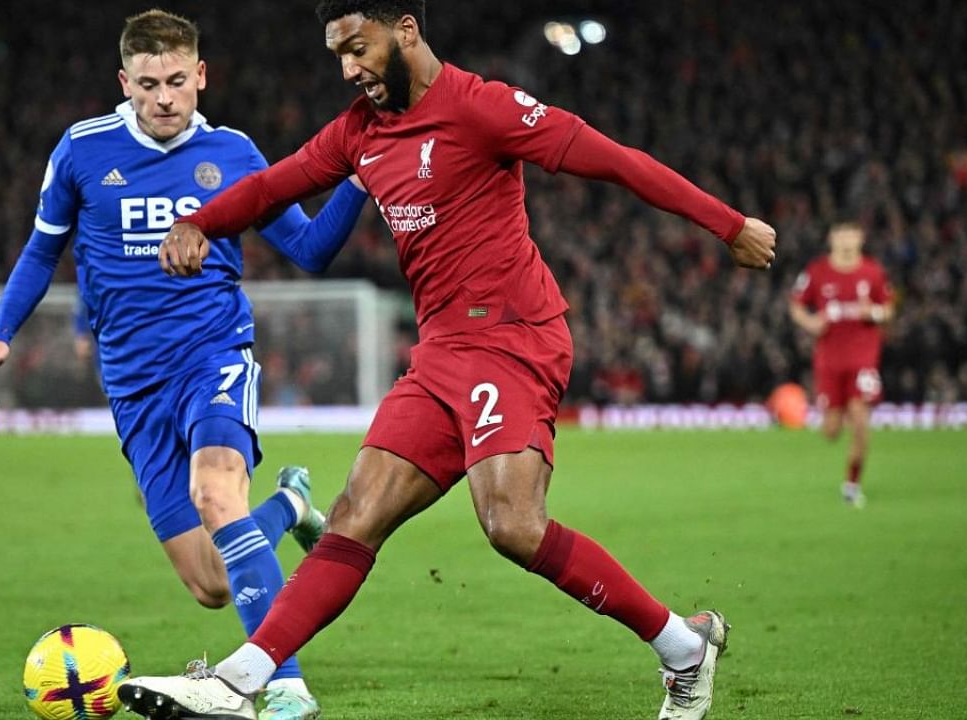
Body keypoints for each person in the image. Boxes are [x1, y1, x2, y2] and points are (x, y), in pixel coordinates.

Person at [118, 2, 778, 719]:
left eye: (359, 48)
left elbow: (613, 160)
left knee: (512, 526)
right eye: (338, 53)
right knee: (354, 513)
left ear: (405, 30)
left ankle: (682, 650)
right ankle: (240, 683)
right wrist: (201, 221)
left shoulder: (482, 108)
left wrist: (729, 224)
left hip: (515, 337)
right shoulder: (359, 132)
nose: (349, 69)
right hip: (441, 351)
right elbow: (276, 185)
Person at [0, 10, 369, 720]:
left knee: (216, 491)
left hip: (214, 354)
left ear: (201, 77)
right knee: (212, 583)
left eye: (177, 81)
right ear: (124, 81)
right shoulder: (82, 151)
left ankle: (284, 686)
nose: (163, 97)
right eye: (148, 83)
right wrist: (1, 333)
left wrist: (361, 180)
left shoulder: (235, 154)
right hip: (132, 385)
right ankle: (294, 505)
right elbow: (41, 251)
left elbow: (308, 250)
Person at [790, 221, 893, 507]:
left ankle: (851, 484)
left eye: (852, 234)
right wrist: (811, 322)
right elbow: (796, 305)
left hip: (863, 360)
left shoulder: (873, 272)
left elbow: (888, 309)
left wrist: (872, 311)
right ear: (831, 238)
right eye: (841, 234)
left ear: (860, 238)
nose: (847, 240)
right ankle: (844, 409)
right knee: (831, 431)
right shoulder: (817, 271)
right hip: (829, 361)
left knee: (860, 422)